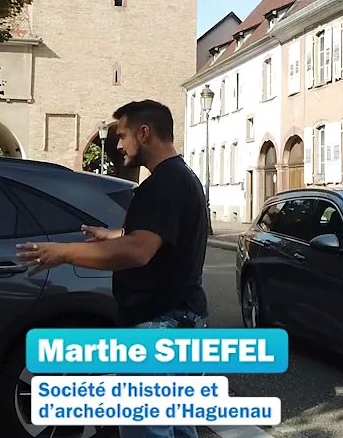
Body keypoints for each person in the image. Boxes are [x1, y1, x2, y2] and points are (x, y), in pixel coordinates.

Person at [17, 98, 209, 438]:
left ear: (145, 133)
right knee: (177, 426)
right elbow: (159, 237)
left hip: (155, 326)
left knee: (147, 430)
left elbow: (139, 251)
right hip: (181, 320)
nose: (118, 145)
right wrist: (114, 235)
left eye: (123, 135)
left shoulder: (162, 185)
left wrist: (64, 253)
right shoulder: (183, 178)